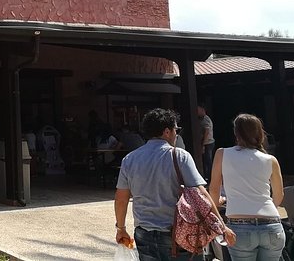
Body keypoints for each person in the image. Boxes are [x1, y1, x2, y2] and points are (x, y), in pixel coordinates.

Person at [114, 108, 233, 261]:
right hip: (179, 233)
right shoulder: (180, 156)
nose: (177, 134)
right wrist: (222, 225)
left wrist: (121, 228)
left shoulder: (130, 159)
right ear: (167, 131)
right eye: (176, 129)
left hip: (144, 234)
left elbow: (121, 199)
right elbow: (201, 193)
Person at [209, 114, 284, 261]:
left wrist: (219, 217)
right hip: (272, 225)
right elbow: (279, 195)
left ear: (236, 132)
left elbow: (214, 190)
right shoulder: (271, 160)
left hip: (239, 226)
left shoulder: (222, 154)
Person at [197, 105, 215, 181]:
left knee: (208, 161)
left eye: (198, 110)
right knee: (205, 161)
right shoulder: (200, 119)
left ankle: (211, 178)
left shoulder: (206, 119)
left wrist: (203, 145)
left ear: (202, 110)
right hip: (205, 143)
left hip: (208, 143)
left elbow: (207, 132)